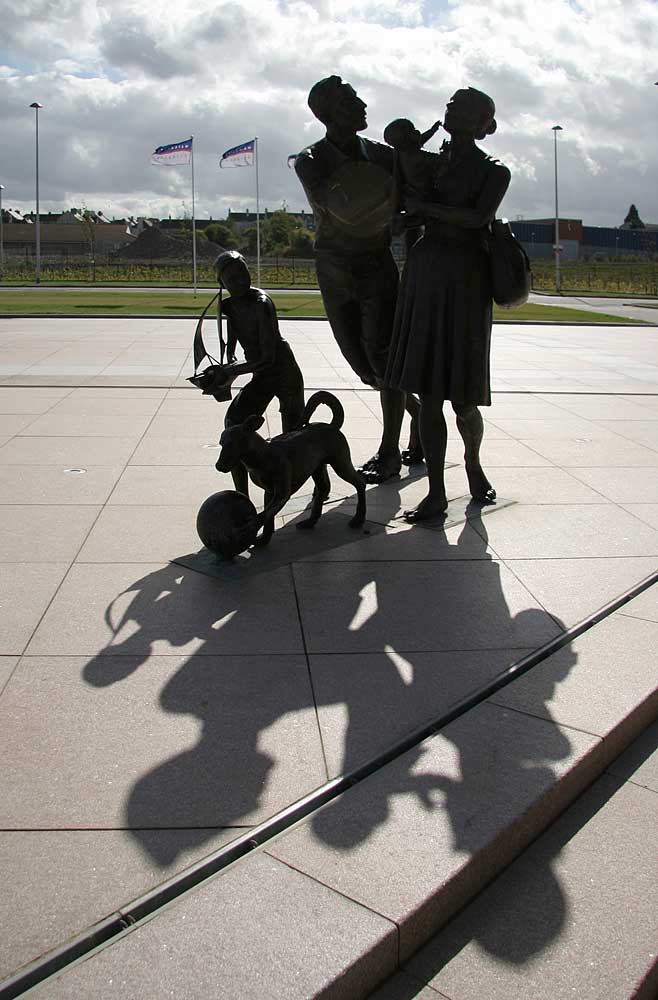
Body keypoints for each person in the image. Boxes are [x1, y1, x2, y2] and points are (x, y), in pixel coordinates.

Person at [385, 88, 511, 520]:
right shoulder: (431, 163)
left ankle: (473, 463)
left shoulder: (494, 170)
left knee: (463, 398)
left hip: (465, 279)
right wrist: (407, 212)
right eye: (450, 104)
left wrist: (425, 207)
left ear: (480, 122)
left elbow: (478, 218)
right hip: (426, 272)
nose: (450, 109)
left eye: (461, 106)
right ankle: (436, 490)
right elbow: (415, 209)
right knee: (429, 391)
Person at [295, 75, 422, 481]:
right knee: (363, 365)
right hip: (334, 268)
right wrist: (387, 205)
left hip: (375, 265)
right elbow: (340, 205)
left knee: (383, 359)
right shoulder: (311, 161)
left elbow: (407, 207)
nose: (363, 105)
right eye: (351, 101)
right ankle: (416, 417)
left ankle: (390, 451)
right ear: (328, 113)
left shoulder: (385, 157)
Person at [214, 250, 305, 497]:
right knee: (234, 425)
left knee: (294, 438)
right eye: (231, 279)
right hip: (262, 375)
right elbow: (232, 345)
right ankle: (241, 496)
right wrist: (226, 365)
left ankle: (306, 486)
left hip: (283, 372)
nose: (240, 281)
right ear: (222, 283)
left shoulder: (261, 304)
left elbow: (267, 358)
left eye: (242, 273)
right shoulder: (229, 307)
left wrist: (230, 371)